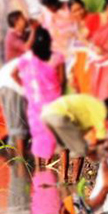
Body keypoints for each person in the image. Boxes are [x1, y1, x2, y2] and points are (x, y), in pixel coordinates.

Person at [16, 26, 65, 170]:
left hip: (35, 104)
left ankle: (39, 171)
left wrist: (28, 88)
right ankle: (52, 172)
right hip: (52, 103)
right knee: (52, 136)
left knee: (39, 136)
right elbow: (61, 80)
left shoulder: (28, 58)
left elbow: (14, 73)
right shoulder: (57, 57)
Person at [42, 94, 108, 183]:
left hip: (47, 115)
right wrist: (95, 151)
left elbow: (79, 132)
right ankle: (74, 181)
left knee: (63, 147)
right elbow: (101, 136)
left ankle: (60, 179)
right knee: (80, 149)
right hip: (58, 116)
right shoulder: (101, 109)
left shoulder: (91, 106)